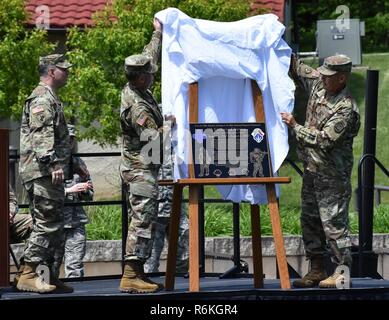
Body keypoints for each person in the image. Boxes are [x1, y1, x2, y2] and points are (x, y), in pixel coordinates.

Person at [281, 54, 360, 288]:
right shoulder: (320, 84)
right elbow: (297, 68)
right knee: (310, 221)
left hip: (333, 177)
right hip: (312, 172)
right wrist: (274, 40)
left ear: (342, 78)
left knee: (334, 226)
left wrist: (295, 126)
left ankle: (342, 274)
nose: (323, 78)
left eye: (329, 76)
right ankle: (316, 269)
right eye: (323, 74)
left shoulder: (346, 109)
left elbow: (325, 140)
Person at [119, 18, 175, 293]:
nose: (154, 75)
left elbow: (149, 56)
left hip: (143, 168)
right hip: (140, 168)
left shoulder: (138, 85)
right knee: (142, 221)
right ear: (140, 77)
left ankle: (137, 272)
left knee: (146, 220)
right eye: (150, 74)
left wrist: (157, 34)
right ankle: (130, 275)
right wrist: (169, 125)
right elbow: (154, 142)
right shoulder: (137, 107)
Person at [18, 54, 72, 293]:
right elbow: (41, 137)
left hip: (47, 172)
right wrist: (53, 164)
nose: (68, 73)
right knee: (46, 223)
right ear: (51, 71)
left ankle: (47, 276)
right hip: (42, 172)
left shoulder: (50, 97)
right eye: (64, 69)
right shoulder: (41, 98)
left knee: (55, 225)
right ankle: (28, 274)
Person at [52, 125, 93, 279]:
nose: (69, 143)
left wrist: (84, 191)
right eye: (66, 139)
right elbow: (42, 196)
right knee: (51, 267)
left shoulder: (78, 163)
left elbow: (90, 194)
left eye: (72, 140)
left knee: (75, 268)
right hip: (55, 224)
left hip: (76, 224)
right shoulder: (49, 165)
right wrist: (68, 190)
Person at [144, 158, 189, 274]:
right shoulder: (151, 149)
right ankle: (149, 279)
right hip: (156, 207)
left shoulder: (178, 148)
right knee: (152, 253)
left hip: (176, 204)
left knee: (183, 247)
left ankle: (180, 277)